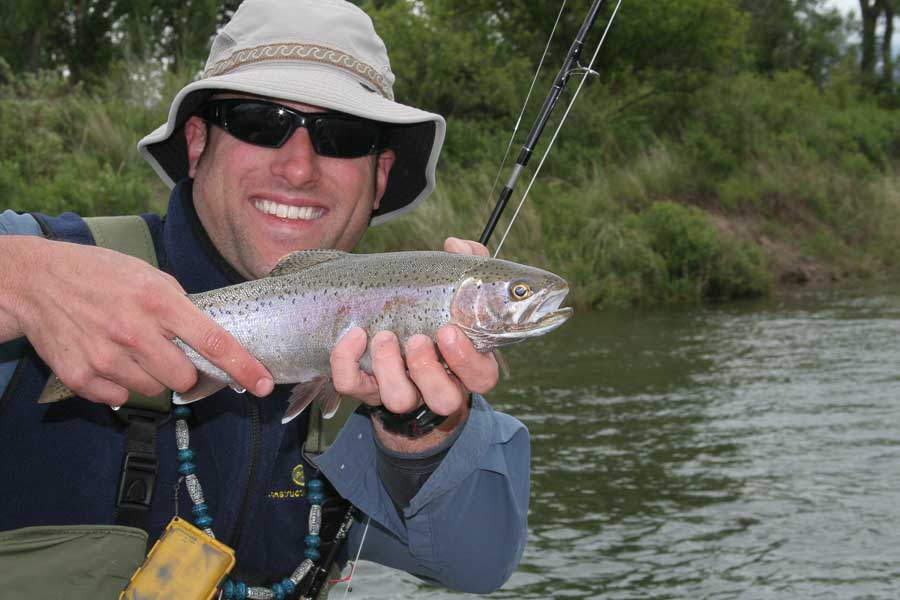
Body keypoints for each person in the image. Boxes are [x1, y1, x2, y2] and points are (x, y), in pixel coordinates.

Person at [0, 0, 529, 598]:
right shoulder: (46, 255)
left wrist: (423, 428)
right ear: (197, 143)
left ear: (379, 177)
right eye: (258, 122)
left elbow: (476, 564)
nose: (299, 168)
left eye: (342, 136)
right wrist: (20, 278)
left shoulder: (398, 344)